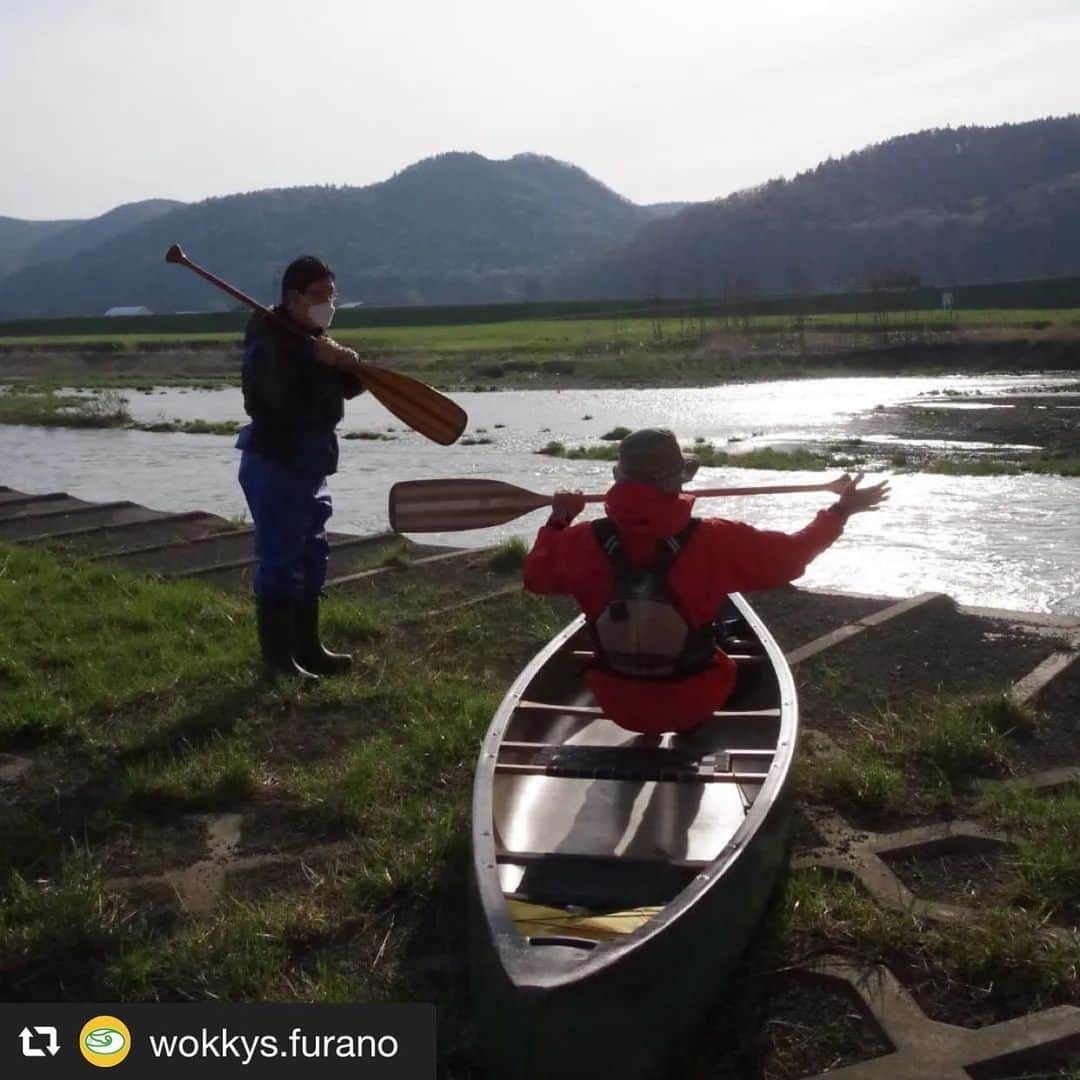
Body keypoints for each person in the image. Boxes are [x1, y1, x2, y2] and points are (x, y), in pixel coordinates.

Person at [522, 428, 889, 734]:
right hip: (694, 699)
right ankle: (691, 735)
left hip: (614, 700)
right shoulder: (716, 539)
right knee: (725, 657)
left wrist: (558, 521)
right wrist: (841, 510)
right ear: (677, 480)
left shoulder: (579, 540)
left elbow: (536, 578)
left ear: (619, 478)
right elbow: (795, 557)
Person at [235, 255, 368, 680]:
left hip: (313, 462)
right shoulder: (270, 341)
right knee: (280, 558)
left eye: (333, 296)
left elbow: (349, 386)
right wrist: (316, 357)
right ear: (293, 298)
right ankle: (278, 663)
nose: (328, 305)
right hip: (276, 460)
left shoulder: (312, 337)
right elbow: (278, 400)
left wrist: (348, 363)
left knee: (312, 555)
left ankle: (309, 649)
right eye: (320, 297)